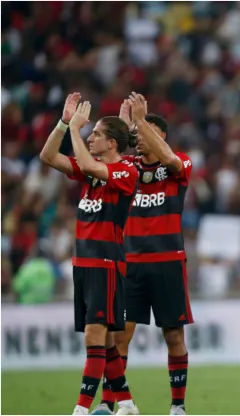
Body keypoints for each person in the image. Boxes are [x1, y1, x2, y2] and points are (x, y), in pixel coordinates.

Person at [91, 93, 194, 415]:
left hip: (168, 263)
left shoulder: (180, 164)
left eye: (141, 133)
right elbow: (107, 155)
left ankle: (177, 407)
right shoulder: (128, 168)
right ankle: (112, 405)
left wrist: (139, 120)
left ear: (159, 135)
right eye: (134, 135)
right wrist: (124, 124)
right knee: (118, 339)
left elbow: (170, 159)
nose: (136, 139)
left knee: (173, 336)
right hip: (130, 264)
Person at [39, 93, 139, 415]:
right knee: (107, 342)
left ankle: (81, 410)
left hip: (106, 262)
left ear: (112, 144)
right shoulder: (90, 174)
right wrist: (64, 123)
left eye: (96, 134)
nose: (90, 137)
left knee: (95, 336)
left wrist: (75, 130)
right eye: (90, 133)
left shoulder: (125, 172)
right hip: (83, 262)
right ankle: (126, 404)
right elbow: (47, 156)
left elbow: (83, 161)